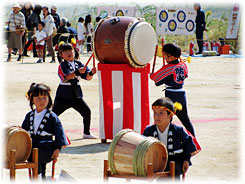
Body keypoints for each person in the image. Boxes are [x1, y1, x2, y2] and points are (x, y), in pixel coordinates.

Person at [143, 97, 199, 179]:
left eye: (161, 113)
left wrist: (186, 160)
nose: (156, 116)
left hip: (175, 162)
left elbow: (188, 144)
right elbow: (142, 145)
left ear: (170, 116)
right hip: (156, 163)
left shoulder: (178, 130)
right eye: (155, 113)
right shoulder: (149, 130)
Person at [22, 83, 69, 179]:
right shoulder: (29, 116)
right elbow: (23, 132)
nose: (42, 101)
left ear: (49, 99)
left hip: (47, 149)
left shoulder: (52, 116)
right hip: (32, 147)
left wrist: (57, 149)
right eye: (38, 98)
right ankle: (41, 178)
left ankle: (38, 179)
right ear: (32, 100)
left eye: (44, 97)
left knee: (36, 157)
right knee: (34, 157)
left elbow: (59, 132)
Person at [150, 43, 195, 137]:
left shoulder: (168, 68)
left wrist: (152, 75)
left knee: (167, 117)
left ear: (170, 57)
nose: (165, 59)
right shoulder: (182, 65)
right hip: (181, 94)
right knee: (185, 119)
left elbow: (157, 81)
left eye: (165, 56)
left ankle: (165, 137)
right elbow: (185, 75)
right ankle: (193, 139)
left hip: (171, 95)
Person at [52, 43, 97, 139]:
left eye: (70, 50)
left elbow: (87, 78)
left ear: (74, 51)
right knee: (53, 114)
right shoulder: (62, 65)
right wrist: (77, 72)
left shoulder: (79, 64)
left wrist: (91, 73)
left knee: (86, 111)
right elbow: (66, 77)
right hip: (63, 94)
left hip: (76, 93)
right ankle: (47, 132)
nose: (69, 53)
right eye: (65, 51)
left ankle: (86, 133)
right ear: (61, 54)